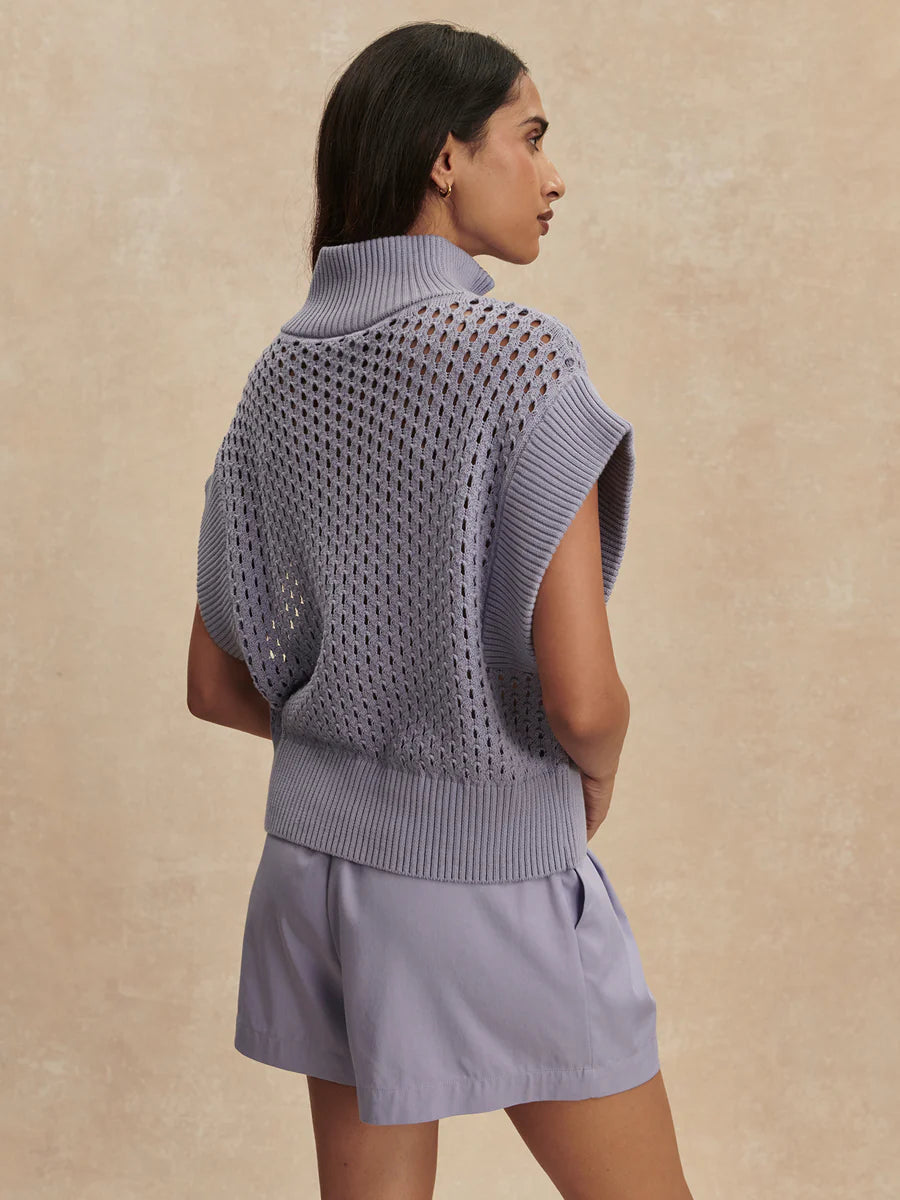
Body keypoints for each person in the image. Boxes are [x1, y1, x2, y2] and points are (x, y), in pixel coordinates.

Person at [187, 20, 693, 1200]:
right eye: (531, 137)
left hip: (315, 877)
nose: (554, 175)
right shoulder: (518, 357)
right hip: (488, 874)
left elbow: (214, 683)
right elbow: (583, 699)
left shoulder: (281, 374)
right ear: (446, 156)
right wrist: (593, 774)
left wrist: (360, 740)